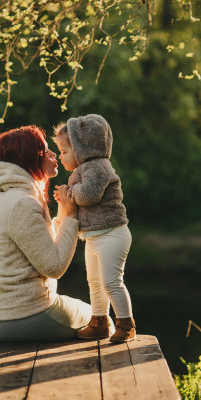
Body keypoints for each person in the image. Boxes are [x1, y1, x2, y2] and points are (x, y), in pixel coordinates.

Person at [0, 125, 92, 341]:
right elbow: (54, 267)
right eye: (45, 150)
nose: (53, 154)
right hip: (22, 315)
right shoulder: (22, 203)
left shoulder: (8, 197)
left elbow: (44, 246)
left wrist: (63, 213)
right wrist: (71, 216)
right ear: (30, 158)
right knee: (100, 318)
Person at [53, 114, 135, 343]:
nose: (61, 157)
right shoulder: (83, 170)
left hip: (112, 234)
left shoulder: (98, 167)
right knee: (95, 282)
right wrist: (65, 200)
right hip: (95, 236)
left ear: (81, 149)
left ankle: (126, 324)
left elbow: (88, 195)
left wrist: (70, 193)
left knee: (111, 281)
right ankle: (99, 322)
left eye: (63, 151)